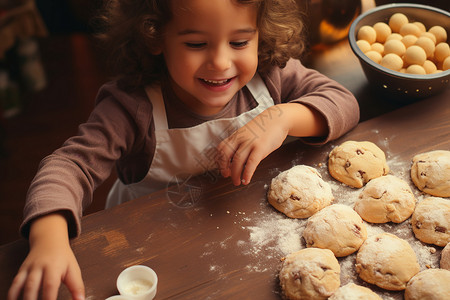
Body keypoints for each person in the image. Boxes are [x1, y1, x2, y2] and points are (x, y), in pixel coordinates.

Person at [8, 0, 360, 299]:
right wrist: (49, 238)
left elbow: (342, 101)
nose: (221, 62)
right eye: (196, 44)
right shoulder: (132, 108)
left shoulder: (271, 76)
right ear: (155, 37)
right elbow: (69, 166)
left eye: (239, 42)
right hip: (150, 250)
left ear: (261, 33)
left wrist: (282, 117)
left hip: (243, 236)